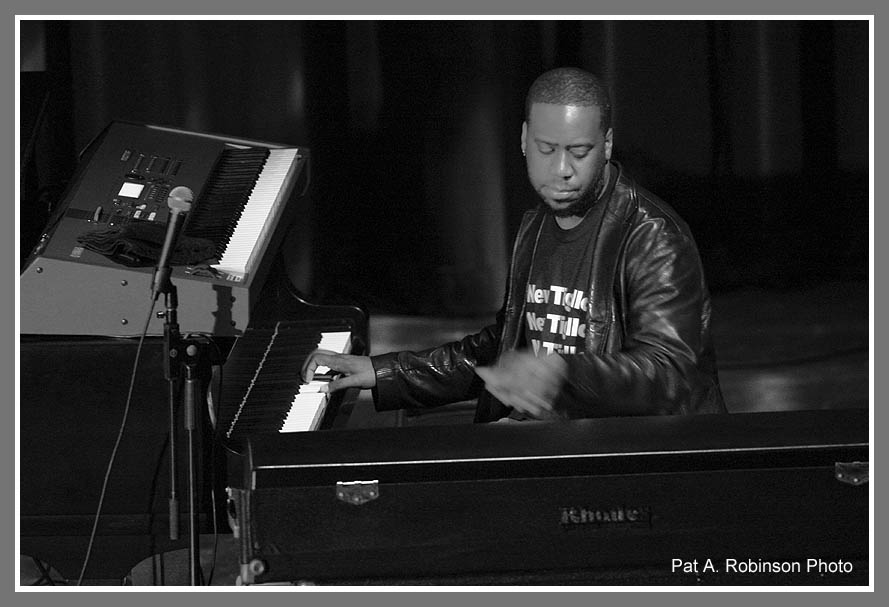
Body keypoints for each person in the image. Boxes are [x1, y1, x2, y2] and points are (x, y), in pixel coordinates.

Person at [303, 66, 725, 422]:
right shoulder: (538, 224)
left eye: (579, 151)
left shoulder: (652, 236)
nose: (561, 170)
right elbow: (502, 345)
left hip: (628, 455)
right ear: (524, 141)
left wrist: (562, 372)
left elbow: (669, 376)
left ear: (608, 144)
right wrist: (385, 372)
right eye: (546, 149)